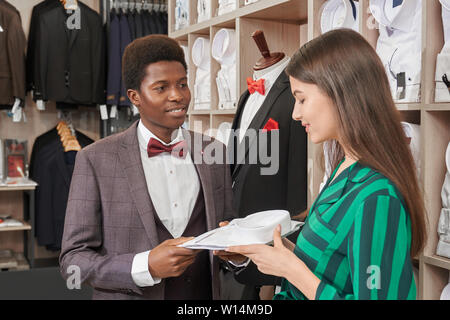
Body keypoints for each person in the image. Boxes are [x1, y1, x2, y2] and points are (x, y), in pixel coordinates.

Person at [221, 29, 427, 300]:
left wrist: (293, 270)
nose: (295, 113)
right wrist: (267, 249)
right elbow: (332, 267)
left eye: (302, 98)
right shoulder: (344, 167)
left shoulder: (377, 197)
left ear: (341, 92)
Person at [59, 35, 235, 300]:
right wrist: (145, 266)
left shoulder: (215, 152)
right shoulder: (95, 159)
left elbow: (226, 234)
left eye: (182, 84)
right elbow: (73, 262)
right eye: (161, 87)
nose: (178, 96)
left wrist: (237, 256)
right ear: (135, 97)